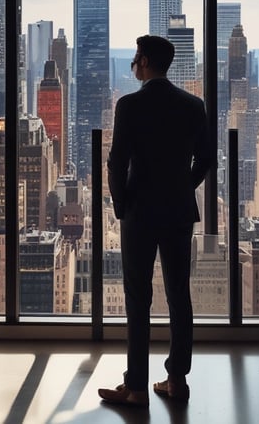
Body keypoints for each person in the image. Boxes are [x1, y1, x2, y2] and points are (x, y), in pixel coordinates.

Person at [98, 35, 214, 407]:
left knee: (138, 298)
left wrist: (121, 205)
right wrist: (182, 186)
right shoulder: (193, 105)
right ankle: (176, 380)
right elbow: (206, 159)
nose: (134, 63)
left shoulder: (129, 105)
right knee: (179, 294)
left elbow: (117, 162)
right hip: (178, 210)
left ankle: (135, 387)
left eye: (136, 57)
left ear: (145, 61)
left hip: (140, 211)